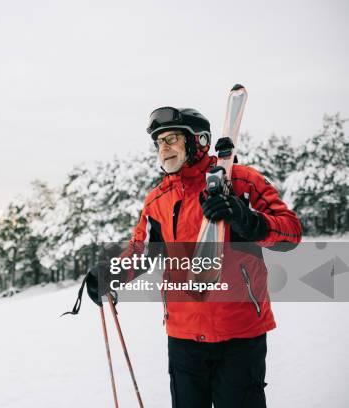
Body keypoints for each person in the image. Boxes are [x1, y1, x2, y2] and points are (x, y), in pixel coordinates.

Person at [84, 107, 302, 408]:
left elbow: (291, 233)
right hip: (183, 336)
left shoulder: (241, 182)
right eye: (158, 142)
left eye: (171, 138)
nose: (163, 148)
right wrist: (111, 273)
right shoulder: (158, 199)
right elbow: (143, 251)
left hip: (240, 334)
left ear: (198, 141)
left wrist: (245, 219)